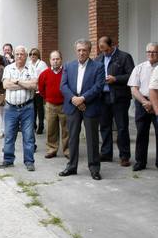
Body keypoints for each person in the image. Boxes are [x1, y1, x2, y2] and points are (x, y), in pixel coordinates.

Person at [59, 40, 104, 180]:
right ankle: (72, 166)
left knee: (92, 139)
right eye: (79, 50)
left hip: (90, 105)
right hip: (72, 106)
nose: (81, 52)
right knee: (72, 138)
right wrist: (74, 99)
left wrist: (83, 98)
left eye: (84, 50)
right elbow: (63, 86)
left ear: (89, 50)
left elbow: (98, 87)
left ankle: (94, 168)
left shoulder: (98, 66)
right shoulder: (68, 66)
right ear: (75, 50)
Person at [0, 46, 37, 172]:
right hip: (11, 108)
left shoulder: (31, 68)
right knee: (9, 135)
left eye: (22, 54)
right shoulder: (9, 68)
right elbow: (6, 85)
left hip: (27, 107)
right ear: (14, 55)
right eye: (17, 54)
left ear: (26, 55)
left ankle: (29, 161)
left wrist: (17, 82)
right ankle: (8, 160)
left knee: (28, 136)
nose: (19, 56)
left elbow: (34, 85)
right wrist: (25, 84)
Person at [97, 36, 135, 167]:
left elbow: (131, 76)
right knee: (104, 126)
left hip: (120, 98)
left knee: (122, 127)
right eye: (102, 50)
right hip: (103, 98)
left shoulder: (124, 57)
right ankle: (106, 153)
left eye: (106, 50)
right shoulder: (99, 58)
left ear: (112, 45)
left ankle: (124, 156)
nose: (104, 53)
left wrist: (116, 79)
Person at [128, 43, 158, 171]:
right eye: (149, 52)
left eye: (154, 52)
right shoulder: (139, 68)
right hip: (142, 104)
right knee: (141, 133)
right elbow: (134, 89)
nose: (151, 54)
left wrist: (153, 103)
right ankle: (140, 162)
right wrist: (145, 102)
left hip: (157, 103)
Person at [37, 51, 69, 159]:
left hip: (65, 105)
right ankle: (52, 149)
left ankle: (67, 150)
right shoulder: (44, 74)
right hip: (50, 105)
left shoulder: (67, 72)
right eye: (53, 59)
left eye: (57, 59)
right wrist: (47, 99)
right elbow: (41, 89)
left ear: (61, 59)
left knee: (66, 129)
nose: (55, 61)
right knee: (51, 129)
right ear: (50, 60)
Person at [28, 48, 48, 135]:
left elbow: (45, 76)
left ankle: (41, 126)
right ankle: (33, 125)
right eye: (31, 54)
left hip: (39, 90)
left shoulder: (42, 64)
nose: (32, 56)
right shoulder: (28, 64)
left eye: (34, 54)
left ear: (38, 55)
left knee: (40, 109)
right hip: (31, 89)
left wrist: (37, 80)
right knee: (32, 109)